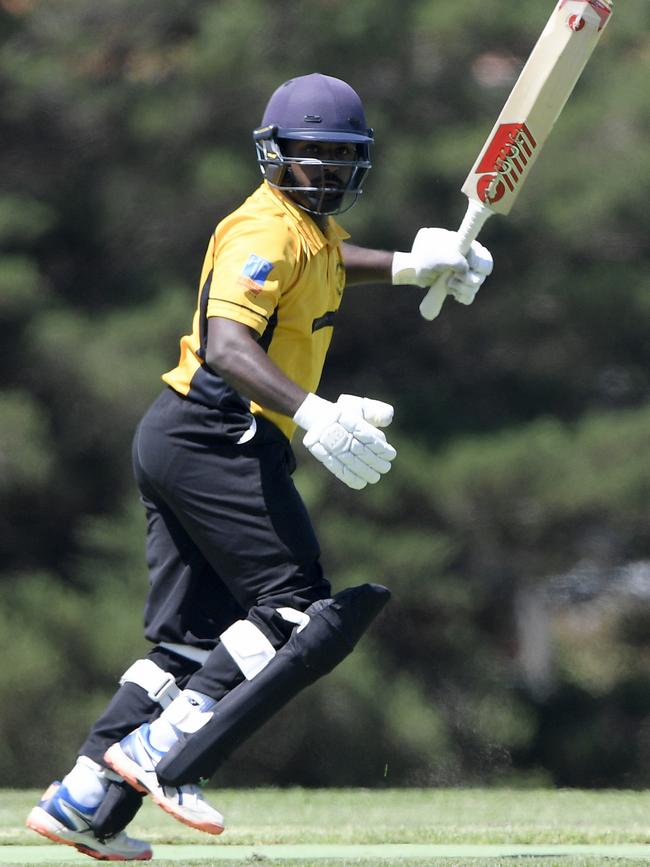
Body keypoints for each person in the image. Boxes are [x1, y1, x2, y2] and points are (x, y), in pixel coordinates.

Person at [26, 72, 493, 860]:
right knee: (293, 609)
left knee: (186, 642)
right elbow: (227, 346)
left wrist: (418, 263)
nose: (327, 171)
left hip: (181, 434)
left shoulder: (309, 232)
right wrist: (311, 412)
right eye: (310, 154)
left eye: (342, 157)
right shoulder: (262, 231)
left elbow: (340, 260)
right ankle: (161, 751)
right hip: (218, 431)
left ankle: (83, 799)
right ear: (273, 154)